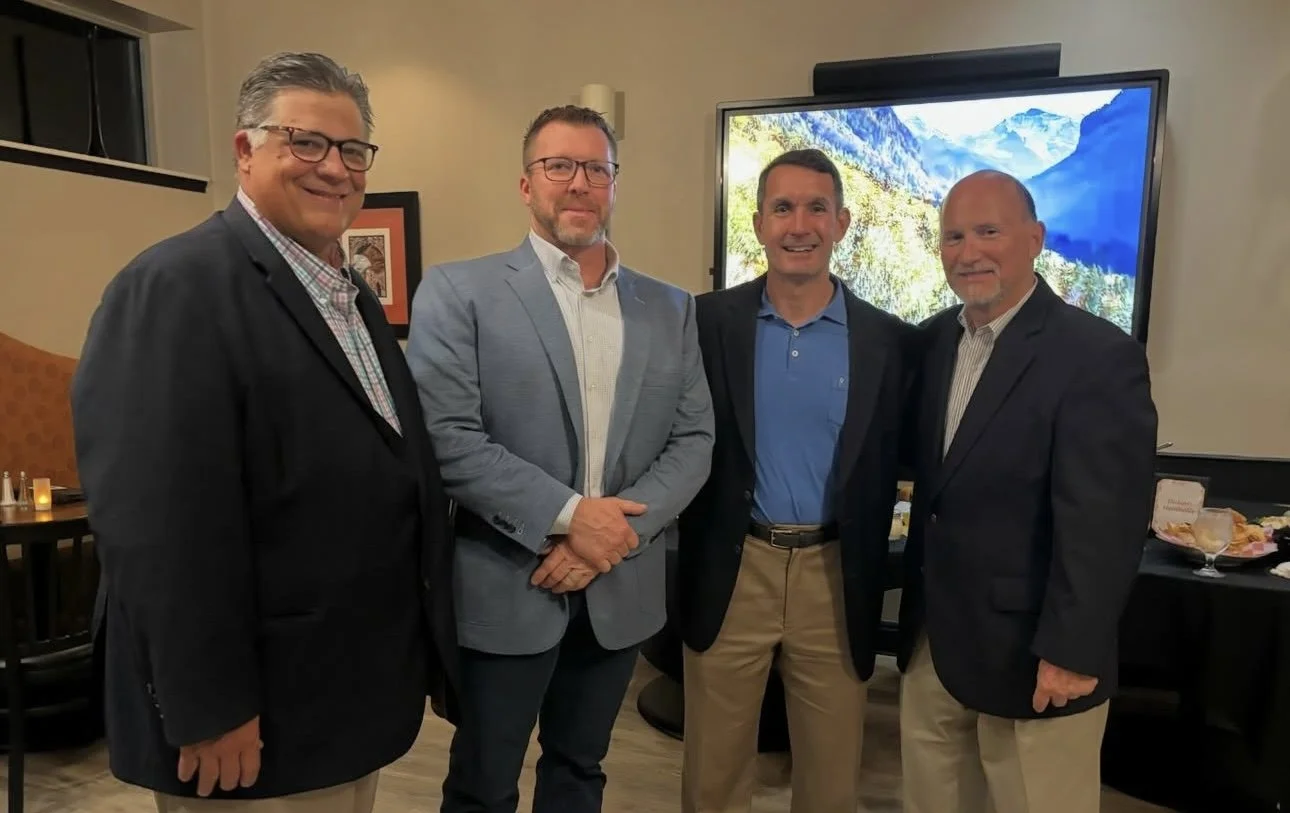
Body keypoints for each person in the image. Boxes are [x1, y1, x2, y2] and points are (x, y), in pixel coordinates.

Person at [70, 51, 457, 812]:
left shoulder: (349, 297)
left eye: (352, 150)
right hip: (247, 730)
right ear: (245, 150)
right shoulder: (174, 288)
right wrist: (208, 707)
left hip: (337, 704)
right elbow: (159, 529)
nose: (333, 168)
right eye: (305, 142)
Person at [405, 105, 715, 813]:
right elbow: (448, 438)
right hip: (508, 581)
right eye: (559, 166)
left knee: (580, 770)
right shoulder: (461, 292)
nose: (579, 184)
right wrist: (572, 518)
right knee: (483, 783)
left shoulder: (671, 309)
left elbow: (694, 441)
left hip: (619, 587)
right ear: (525, 184)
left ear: (614, 183)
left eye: (596, 169)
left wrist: (609, 539)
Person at [896, 169, 1158, 813]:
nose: (969, 251)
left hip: (1037, 657)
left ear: (1035, 238)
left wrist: (1072, 651)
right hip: (934, 645)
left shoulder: (1097, 355)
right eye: (953, 236)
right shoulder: (931, 343)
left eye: (989, 231)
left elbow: (1105, 525)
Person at [675, 148, 919, 813]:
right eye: (783, 207)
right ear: (758, 224)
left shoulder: (889, 342)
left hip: (835, 576)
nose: (799, 224)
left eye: (817, 207)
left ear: (841, 222)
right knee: (713, 779)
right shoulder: (704, 324)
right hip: (734, 566)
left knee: (832, 781)